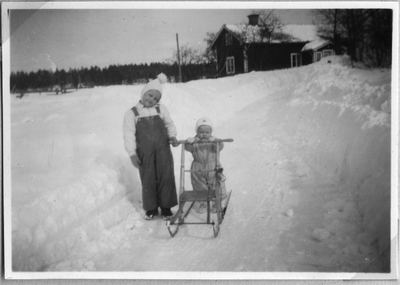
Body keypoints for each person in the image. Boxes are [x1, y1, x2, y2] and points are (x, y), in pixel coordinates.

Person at [123, 73, 179, 220]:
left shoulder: (161, 109)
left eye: (156, 98)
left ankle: (166, 207)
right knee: (148, 178)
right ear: (144, 92)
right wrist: (132, 154)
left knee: (165, 176)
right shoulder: (132, 113)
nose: (152, 100)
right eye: (150, 95)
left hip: (163, 150)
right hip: (144, 152)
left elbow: (169, 124)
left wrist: (172, 136)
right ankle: (152, 208)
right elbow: (128, 135)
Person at [185, 118, 227, 213]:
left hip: (212, 166)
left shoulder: (213, 141)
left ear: (211, 132)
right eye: (201, 132)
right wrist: (188, 142)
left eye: (207, 132)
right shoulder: (195, 141)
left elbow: (220, 147)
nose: (204, 134)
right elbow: (187, 148)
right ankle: (203, 202)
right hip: (197, 167)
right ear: (197, 132)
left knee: (215, 184)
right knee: (199, 185)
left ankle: (217, 202)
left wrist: (216, 142)